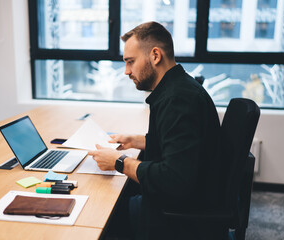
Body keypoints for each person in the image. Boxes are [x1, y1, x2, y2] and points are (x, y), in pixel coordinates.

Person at [88, 21, 221, 239]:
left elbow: (174, 180)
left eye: (130, 62)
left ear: (155, 56)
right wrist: (139, 141)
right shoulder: (179, 88)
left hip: (178, 215)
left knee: (100, 213)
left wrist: (119, 162)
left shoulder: (178, 99)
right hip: (192, 196)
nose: (126, 71)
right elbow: (182, 147)